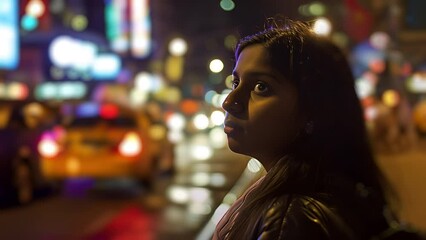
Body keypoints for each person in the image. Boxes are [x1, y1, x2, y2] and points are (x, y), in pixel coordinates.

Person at [214, 19, 424, 239]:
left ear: (313, 110)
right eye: (236, 83)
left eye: (261, 87)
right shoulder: (341, 191)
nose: (229, 102)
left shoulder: (291, 219)